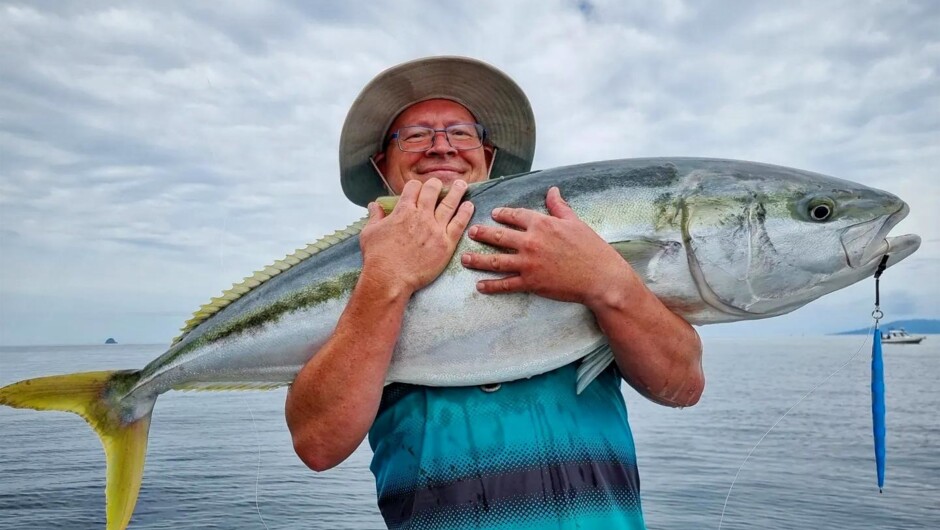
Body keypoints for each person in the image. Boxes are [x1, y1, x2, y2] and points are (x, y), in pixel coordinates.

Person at [285, 56, 704, 530]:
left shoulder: (575, 242)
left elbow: (682, 386)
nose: (441, 147)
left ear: (488, 157)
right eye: (416, 135)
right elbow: (317, 445)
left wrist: (606, 281)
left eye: (461, 132)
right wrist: (386, 282)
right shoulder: (355, 275)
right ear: (383, 168)